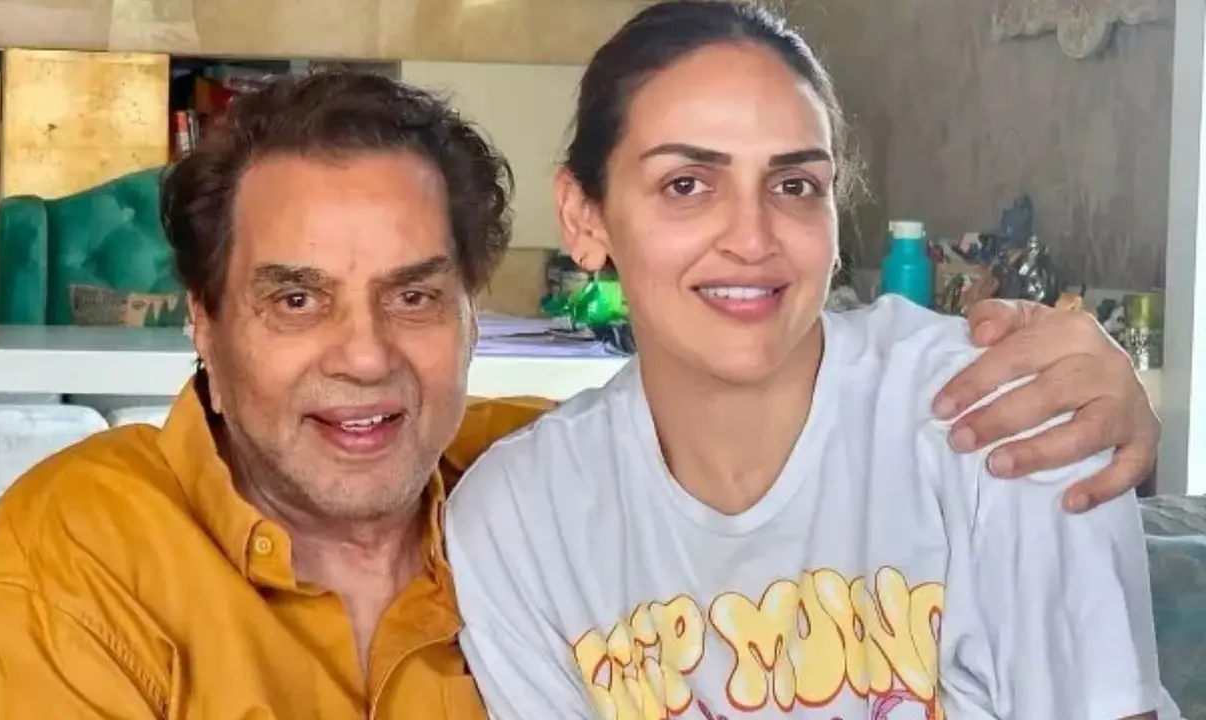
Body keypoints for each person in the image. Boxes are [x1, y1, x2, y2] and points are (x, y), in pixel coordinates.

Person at [0, 68, 1156, 718]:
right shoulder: (83, 550)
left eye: (415, 295)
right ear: (204, 323)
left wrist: (1087, 384)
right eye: (296, 300)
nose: (365, 356)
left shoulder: (530, 488)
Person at [445, 2, 1175, 719]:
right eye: (686, 184)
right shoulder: (522, 522)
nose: (752, 239)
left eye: (793, 186)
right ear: (584, 216)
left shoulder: (1007, 417)